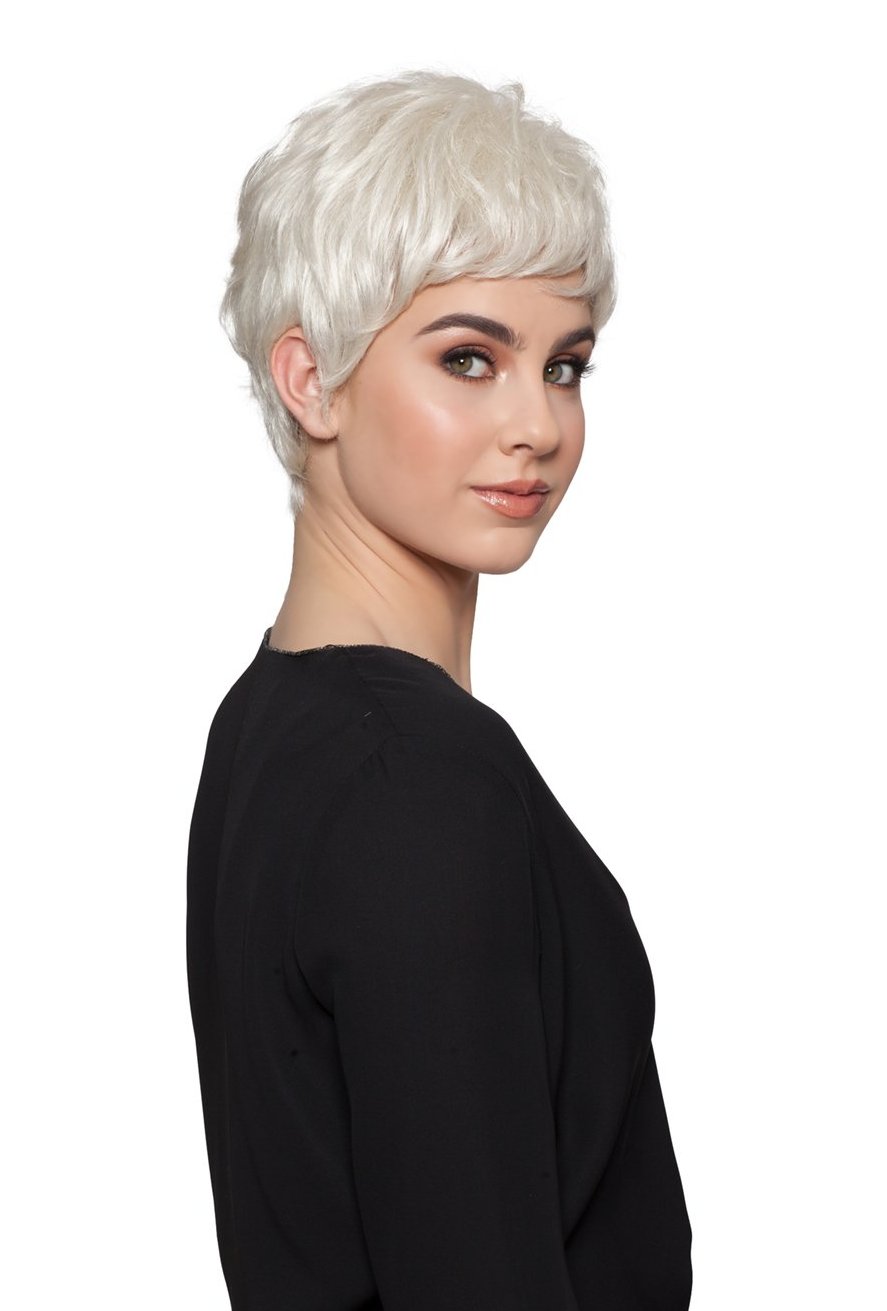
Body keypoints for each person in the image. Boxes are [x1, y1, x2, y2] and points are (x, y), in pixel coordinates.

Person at [186, 69, 693, 1310]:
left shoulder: (266, 723)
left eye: (564, 366)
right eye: (469, 358)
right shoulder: (415, 783)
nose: (538, 426)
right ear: (310, 380)